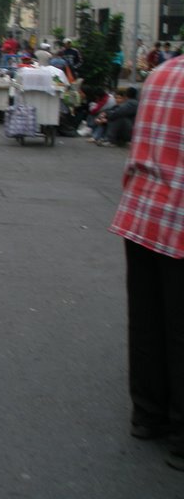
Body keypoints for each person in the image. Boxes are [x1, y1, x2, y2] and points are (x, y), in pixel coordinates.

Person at [107, 54, 184, 472]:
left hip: (142, 210)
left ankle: (147, 415)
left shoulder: (161, 74)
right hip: (180, 220)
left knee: (147, 319)